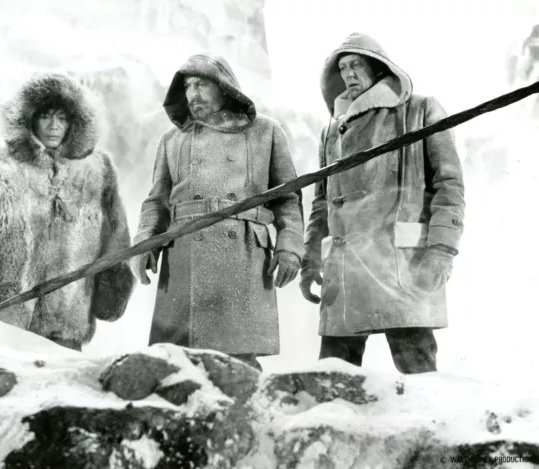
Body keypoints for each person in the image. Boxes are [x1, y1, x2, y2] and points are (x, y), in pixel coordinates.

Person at [300, 33, 465, 373]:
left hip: (403, 266)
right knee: (332, 381)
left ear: (378, 68)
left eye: (356, 64)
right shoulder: (332, 129)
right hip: (344, 271)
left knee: (420, 381)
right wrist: (310, 257)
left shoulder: (420, 109)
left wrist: (441, 250)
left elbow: (449, 185)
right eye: (343, 67)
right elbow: (321, 201)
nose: (348, 74)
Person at [129, 53, 304, 371]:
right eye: (188, 86)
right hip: (184, 259)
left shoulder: (266, 131)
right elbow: (156, 203)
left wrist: (290, 247)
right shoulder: (171, 140)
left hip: (243, 256)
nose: (193, 94)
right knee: (179, 366)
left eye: (202, 85)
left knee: (239, 365)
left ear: (224, 88)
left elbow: (288, 199)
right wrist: (143, 245)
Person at [0, 73, 135, 351]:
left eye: (62, 118)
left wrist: (114, 276)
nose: (54, 126)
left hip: (68, 312)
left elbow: (116, 232)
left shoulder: (98, 168)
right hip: (9, 310)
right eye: (46, 116)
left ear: (75, 122)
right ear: (30, 118)